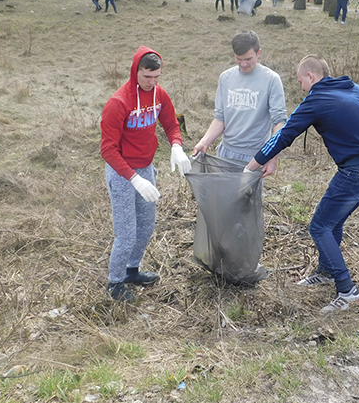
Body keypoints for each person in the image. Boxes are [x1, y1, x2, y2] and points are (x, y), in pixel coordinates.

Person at [245, 55, 359, 312]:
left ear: (311, 76)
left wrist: (250, 168)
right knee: (334, 221)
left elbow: (286, 133)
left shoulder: (317, 99)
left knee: (319, 226)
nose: (301, 88)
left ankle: (347, 291)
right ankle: (326, 271)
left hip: (356, 171)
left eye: (301, 81)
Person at [99, 47, 191, 302]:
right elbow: (107, 149)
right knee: (126, 232)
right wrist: (133, 178)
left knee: (146, 225)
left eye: (157, 77)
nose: (152, 83)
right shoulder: (118, 104)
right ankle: (114, 283)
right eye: (147, 77)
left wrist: (176, 146)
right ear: (136, 71)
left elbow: (172, 124)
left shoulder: (159, 94)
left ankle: (132, 270)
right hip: (122, 172)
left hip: (146, 168)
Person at [192, 31, 287, 167]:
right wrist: (204, 142)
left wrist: (272, 157)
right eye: (238, 58)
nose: (243, 64)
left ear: (258, 53)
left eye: (248, 59)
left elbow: (279, 122)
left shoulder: (271, 79)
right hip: (226, 153)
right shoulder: (225, 78)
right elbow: (220, 118)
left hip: (255, 157)